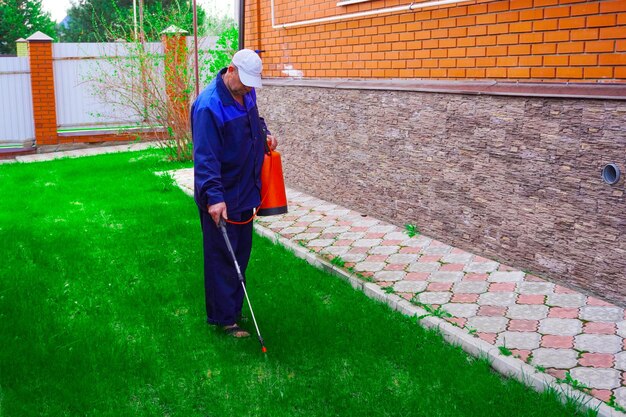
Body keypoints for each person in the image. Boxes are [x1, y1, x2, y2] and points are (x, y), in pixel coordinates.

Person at [191, 49, 277, 338]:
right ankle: (224, 320)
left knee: (240, 254)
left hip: (244, 191)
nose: (248, 89)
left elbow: (255, 120)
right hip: (222, 196)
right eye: (245, 83)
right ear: (230, 70)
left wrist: (264, 134)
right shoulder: (209, 107)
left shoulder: (247, 93)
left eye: (252, 84)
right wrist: (214, 198)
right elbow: (206, 159)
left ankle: (234, 311)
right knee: (222, 257)